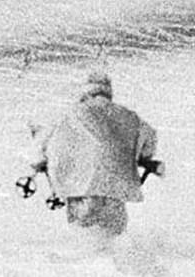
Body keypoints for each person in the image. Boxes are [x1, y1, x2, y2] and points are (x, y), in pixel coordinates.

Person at [30, 72, 159, 248]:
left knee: (85, 242)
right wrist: (143, 157)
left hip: (81, 189)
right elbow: (149, 141)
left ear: (85, 91)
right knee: (113, 241)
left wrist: (38, 163)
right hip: (116, 190)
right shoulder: (130, 116)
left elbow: (40, 144)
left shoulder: (69, 113)